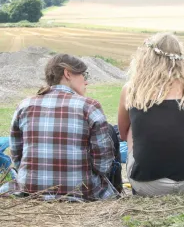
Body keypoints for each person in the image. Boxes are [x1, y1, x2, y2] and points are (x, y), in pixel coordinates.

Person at [0, 54, 118, 200]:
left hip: (30, 189)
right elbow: (103, 165)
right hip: (81, 191)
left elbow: (17, 157)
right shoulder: (89, 107)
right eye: (83, 75)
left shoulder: (24, 105)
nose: (86, 81)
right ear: (67, 73)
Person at [118, 33, 184, 196]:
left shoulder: (130, 90)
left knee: (133, 127)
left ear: (146, 57)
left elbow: (124, 134)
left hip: (147, 185)